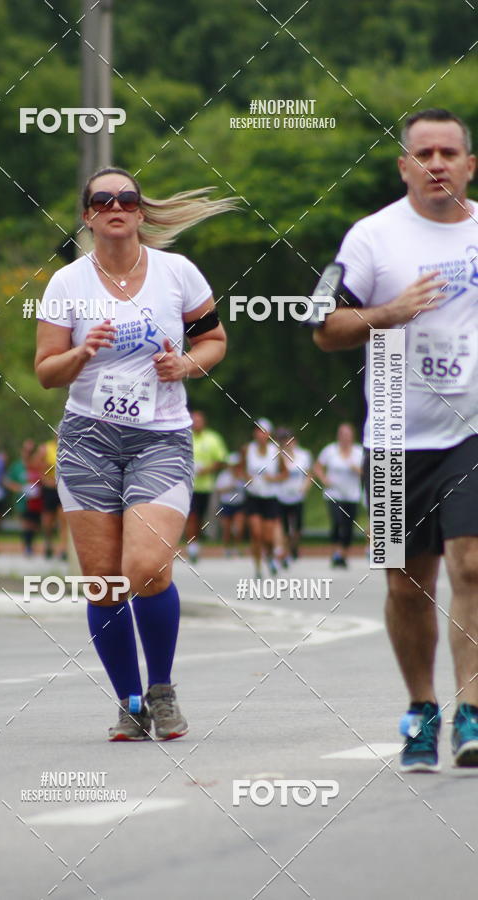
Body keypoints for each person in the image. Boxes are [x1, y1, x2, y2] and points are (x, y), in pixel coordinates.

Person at [35, 166, 231, 741]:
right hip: (87, 439)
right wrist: (82, 353)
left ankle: (162, 689)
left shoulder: (178, 274)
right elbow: (46, 371)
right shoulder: (68, 284)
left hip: (160, 437)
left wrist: (186, 364)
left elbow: (213, 340)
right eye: (103, 199)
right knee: (103, 583)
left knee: (145, 568)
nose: (116, 206)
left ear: (141, 212)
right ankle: (129, 700)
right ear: (89, 215)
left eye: (127, 198)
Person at [313, 108, 478, 770]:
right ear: (404, 166)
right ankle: (421, 708)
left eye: (450, 152)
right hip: (392, 436)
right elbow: (322, 324)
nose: (437, 163)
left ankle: (470, 711)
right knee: (408, 584)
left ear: (470, 164)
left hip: (472, 431)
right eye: (424, 153)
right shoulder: (370, 238)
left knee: (471, 564)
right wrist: (388, 313)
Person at [314, 423, 363, 568]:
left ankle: (344, 554)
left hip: (352, 495)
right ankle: (336, 552)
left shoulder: (358, 452)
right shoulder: (330, 451)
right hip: (333, 493)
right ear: (338, 436)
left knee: (348, 525)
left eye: (348, 435)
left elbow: (369, 471)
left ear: (352, 436)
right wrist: (323, 479)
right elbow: (317, 467)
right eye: (343, 435)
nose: (345, 438)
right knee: (337, 522)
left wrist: (357, 470)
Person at [243, 419, 287, 578]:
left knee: (268, 537)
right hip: (253, 497)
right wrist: (246, 477)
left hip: (270, 498)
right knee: (256, 533)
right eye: (257, 431)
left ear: (268, 434)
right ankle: (257, 568)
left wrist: (274, 479)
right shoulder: (247, 449)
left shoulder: (275, 451)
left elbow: (285, 473)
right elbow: (239, 469)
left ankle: (269, 557)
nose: (260, 434)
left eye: (263, 431)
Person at [185, 409, 227, 563]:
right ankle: (192, 545)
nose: (196, 424)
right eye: (193, 421)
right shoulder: (184, 436)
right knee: (192, 515)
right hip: (187, 485)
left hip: (206, 486)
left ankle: (197, 540)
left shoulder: (213, 438)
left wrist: (207, 469)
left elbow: (221, 460)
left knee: (201, 517)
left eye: (199, 421)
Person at [273, 427, 313, 562]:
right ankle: (283, 551)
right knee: (282, 527)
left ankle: (293, 548)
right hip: (281, 496)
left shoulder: (304, 455)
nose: (286, 443)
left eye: (288, 440)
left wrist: (304, 488)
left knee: (297, 528)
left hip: (297, 497)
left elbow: (309, 475)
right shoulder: (276, 457)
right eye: (283, 440)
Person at [215, 451, 246, 557]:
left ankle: (237, 547)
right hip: (226, 504)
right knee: (227, 529)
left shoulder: (242, 475)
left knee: (238, 528)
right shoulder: (223, 475)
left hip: (239, 504)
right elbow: (219, 490)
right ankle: (227, 548)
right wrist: (230, 486)